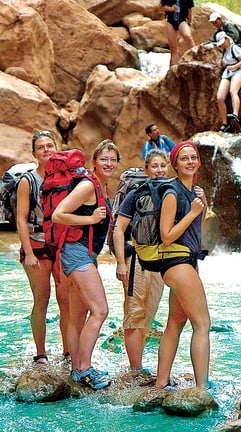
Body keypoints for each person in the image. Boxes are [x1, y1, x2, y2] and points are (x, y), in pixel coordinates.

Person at [52, 139, 119, 389]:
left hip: (82, 253)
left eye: (113, 159)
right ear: (94, 161)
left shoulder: (102, 186)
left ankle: (75, 367)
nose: (109, 163)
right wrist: (91, 218)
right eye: (104, 159)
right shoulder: (88, 186)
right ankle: (85, 369)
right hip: (76, 251)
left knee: (78, 314)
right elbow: (59, 214)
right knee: (100, 310)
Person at [155, 141, 209, 390]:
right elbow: (166, 235)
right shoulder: (171, 192)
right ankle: (201, 390)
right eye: (184, 158)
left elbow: (198, 230)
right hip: (176, 262)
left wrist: (202, 205)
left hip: (188, 261)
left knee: (175, 324)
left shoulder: (195, 191)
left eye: (193, 157)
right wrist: (192, 212)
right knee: (202, 325)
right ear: (175, 164)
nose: (189, 161)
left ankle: (161, 383)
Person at [16, 131, 70, 364]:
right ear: (34, 153)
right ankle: (41, 353)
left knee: (65, 299)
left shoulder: (65, 177)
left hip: (60, 246)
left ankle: (68, 351)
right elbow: (20, 219)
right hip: (36, 246)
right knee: (42, 298)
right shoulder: (27, 181)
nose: (46, 150)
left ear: (57, 149)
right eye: (41, 147)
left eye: (50, 146)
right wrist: (28, 252)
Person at [114, 149, 168, 373]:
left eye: (162, 166)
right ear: (146, 170)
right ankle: (135, 369)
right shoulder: (136, 194)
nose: (159, 170)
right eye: (154, 166)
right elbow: (118, 229)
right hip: (136, 259)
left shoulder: (171, 192)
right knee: (135, 314)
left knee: (149, 314)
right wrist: (120, 262)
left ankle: (139, 366)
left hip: (160, 261)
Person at [205, 12, 241, 89]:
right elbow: (212, 39)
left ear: (220, 19)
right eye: (213, 23)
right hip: (235, 48)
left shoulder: (228, 25)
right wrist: (206, 44)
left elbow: (235, 37)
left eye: (216, 22)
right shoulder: (219, 31)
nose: (215, 24)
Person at [215, 31, 241, 133]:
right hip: (227, 73)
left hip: (237, 70)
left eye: (223, 42)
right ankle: (224, 122)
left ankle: (235, 114)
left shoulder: (235, 48)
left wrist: (233, 67)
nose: (222, 45)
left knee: (233, 91)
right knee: (220, 97)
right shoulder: (224, 51)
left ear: (227, 39)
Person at [160, 0, 195, 66]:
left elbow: (189, 9)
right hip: (171, 21)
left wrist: (190, 23)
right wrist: (171, 9)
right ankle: (172, 70)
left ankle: (196, 56)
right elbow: (162, 7)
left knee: (188, 36)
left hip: (182, 20)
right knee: (173, 49)